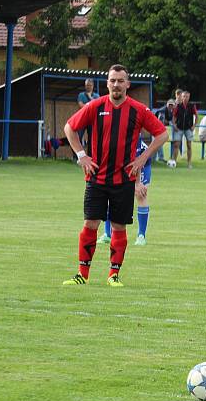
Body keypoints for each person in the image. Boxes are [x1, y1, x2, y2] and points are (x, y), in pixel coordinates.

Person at [61, 64, 168, 288]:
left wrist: (143, 159)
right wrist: (82, 155)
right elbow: (70, 128)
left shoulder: (138, 110)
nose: (116, 85)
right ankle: (82, 274)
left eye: (120, 81)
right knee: (90, 224)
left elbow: (162, 134)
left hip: (124, 179)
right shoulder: (95, 106)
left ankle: (113, 275)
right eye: (112, 81)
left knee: (119, 227)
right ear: (107, 83)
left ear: (127, 84)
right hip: (96, 178)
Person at [97, 137, 155, 246]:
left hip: (141, 164)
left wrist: (137, 184)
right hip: (121, 164)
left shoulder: (132, 134)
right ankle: (107, 234)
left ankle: (141, 236)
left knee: (140, 194)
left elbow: (136, 161)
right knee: (111, 194)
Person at [172, 90, 198, 169]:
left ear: (189, 97)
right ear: (181, 97)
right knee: (176, 145)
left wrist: (194, 126)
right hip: (179, 128)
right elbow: (173, 116)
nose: (185, 98)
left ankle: (189, 163)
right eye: (184, 96)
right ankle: (174, 162)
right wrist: (174, 125)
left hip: (188, 128)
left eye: (187, 96)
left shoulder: (192, 106)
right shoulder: (178, 106)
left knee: (189, 145)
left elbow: (196, 116)